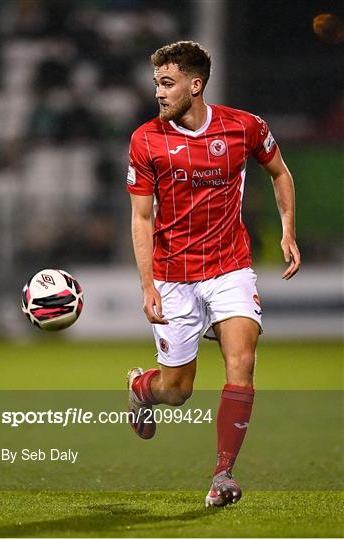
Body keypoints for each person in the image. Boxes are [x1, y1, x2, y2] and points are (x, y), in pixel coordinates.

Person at [125, 41, 301, 508]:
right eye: (157, 83)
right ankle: (142, 389)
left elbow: (279, 173)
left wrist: (288, 231)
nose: (159, 92)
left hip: (230, 267)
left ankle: (223, 474)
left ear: (195, 84)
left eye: (167, 82)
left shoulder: (244, 127)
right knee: (177, 391)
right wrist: (147, 286)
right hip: (173, 275)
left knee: (242, 363)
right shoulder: (146, 139)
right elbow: (142, 219)